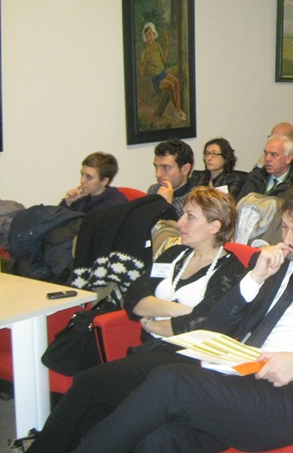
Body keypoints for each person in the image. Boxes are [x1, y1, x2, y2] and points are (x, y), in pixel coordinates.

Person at [65, 183, 293, 453]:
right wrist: (254, 279)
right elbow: (216, 325)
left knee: (169, 379)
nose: (288, 239)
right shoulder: (268, 262)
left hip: (289, 397)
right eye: (284, 227)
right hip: (237, 377)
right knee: (158, 438)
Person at [28, 187, 246, 453]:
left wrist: (154, 322)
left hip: (184, 359)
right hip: (148, 350)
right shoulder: (173, 255)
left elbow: (203, 325)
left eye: (190, 217)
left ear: (214, 226)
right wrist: (180, 309)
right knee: (98, 406)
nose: (180, 223)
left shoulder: (231, 271)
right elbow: (134, 298)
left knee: (88, 382)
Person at [138, 22, 185, 121]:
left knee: (176, 81)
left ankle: (178, 109)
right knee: (171, 85)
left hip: (163, 73)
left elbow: (164, 59)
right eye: (146, 35)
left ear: (154, 34)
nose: (149, 37)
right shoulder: (145, 52)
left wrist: (166, 45)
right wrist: (146, 62)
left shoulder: (157, 46)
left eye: (150, 34)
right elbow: (141, 73)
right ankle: (178, 111)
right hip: (157, 79)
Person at [60, 152, 127, 214]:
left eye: (89, 177)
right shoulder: (82, 197)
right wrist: (67, 202)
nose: (82, 180)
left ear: (104, 181)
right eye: (82, 174)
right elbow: (57, 219)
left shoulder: (115, 203)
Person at [147, 138, 197, 218]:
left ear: (185, 169)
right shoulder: (154, 190)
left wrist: (165, 205)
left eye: (166, 167)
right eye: (156, 167)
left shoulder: (197, 200)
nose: (158, 174)